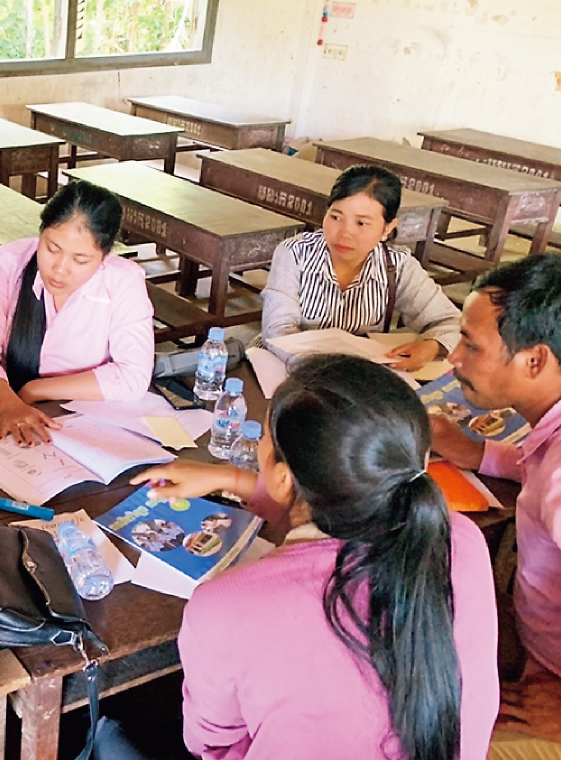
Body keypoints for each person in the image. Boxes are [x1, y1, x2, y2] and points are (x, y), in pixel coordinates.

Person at [131, 355, 499, 759]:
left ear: (283, 476)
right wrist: (233, 479)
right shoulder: (460, 540)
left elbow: (210, 745)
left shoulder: (222, 607)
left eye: (263, 446)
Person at [427, 255, 561, 751]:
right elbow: (537, 463)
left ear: (534, 360)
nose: (454, 359)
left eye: (471, 344)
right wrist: (475, 451)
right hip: (533, 643)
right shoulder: (549, 435)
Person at [0, 180, 154, 446]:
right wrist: (10, 404)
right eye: (52, 248)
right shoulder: (10, 262)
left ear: (105, 255)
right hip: (1, 402)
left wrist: (35, 389)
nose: (60, 269)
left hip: (81, 415)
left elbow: (133, 375)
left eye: (80, 260)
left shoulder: (124, 281)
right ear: (41, 233)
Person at [261, 165, 460, 372]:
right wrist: (326, 369)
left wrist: (431, 346)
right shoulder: (294, 253)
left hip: (362, 375)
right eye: (336, 217)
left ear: (387, 229)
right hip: (294, 368)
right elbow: (278, 330)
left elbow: (450, 321)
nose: (345, 233)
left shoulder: (397, 266)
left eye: (361, 223)